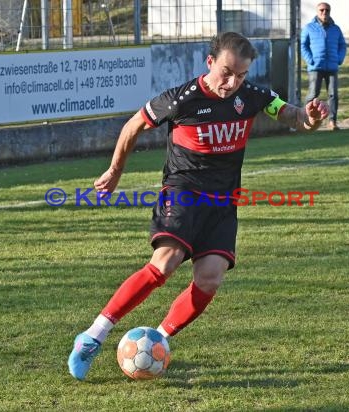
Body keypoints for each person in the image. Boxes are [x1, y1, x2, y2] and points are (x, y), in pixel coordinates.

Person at [68, 31, 329, 381]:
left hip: (223, 203)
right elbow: (133, 125)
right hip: (183, 192)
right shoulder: (182, 100)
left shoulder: (254, 96)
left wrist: (311, 117)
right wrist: (115, 171)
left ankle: (157, 339)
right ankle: (92, 337)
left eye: (241, 75)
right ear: (210, 62)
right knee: (165, 264)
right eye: (226, 72)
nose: (232, 82)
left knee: (209, 279)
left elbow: (293, 117)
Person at [301, 2, 347, 131]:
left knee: (333, 95)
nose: (324, 12)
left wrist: (339, 59)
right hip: (316, 67)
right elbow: (303, 45)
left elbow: (342, 45)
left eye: (327, 10)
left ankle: (332, 121)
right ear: (317, 11)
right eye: (321, 10)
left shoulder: (336, 29)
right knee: (313, 94)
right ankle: (305, 120)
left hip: (332, 67)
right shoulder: (309, 28)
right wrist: (310, 60)